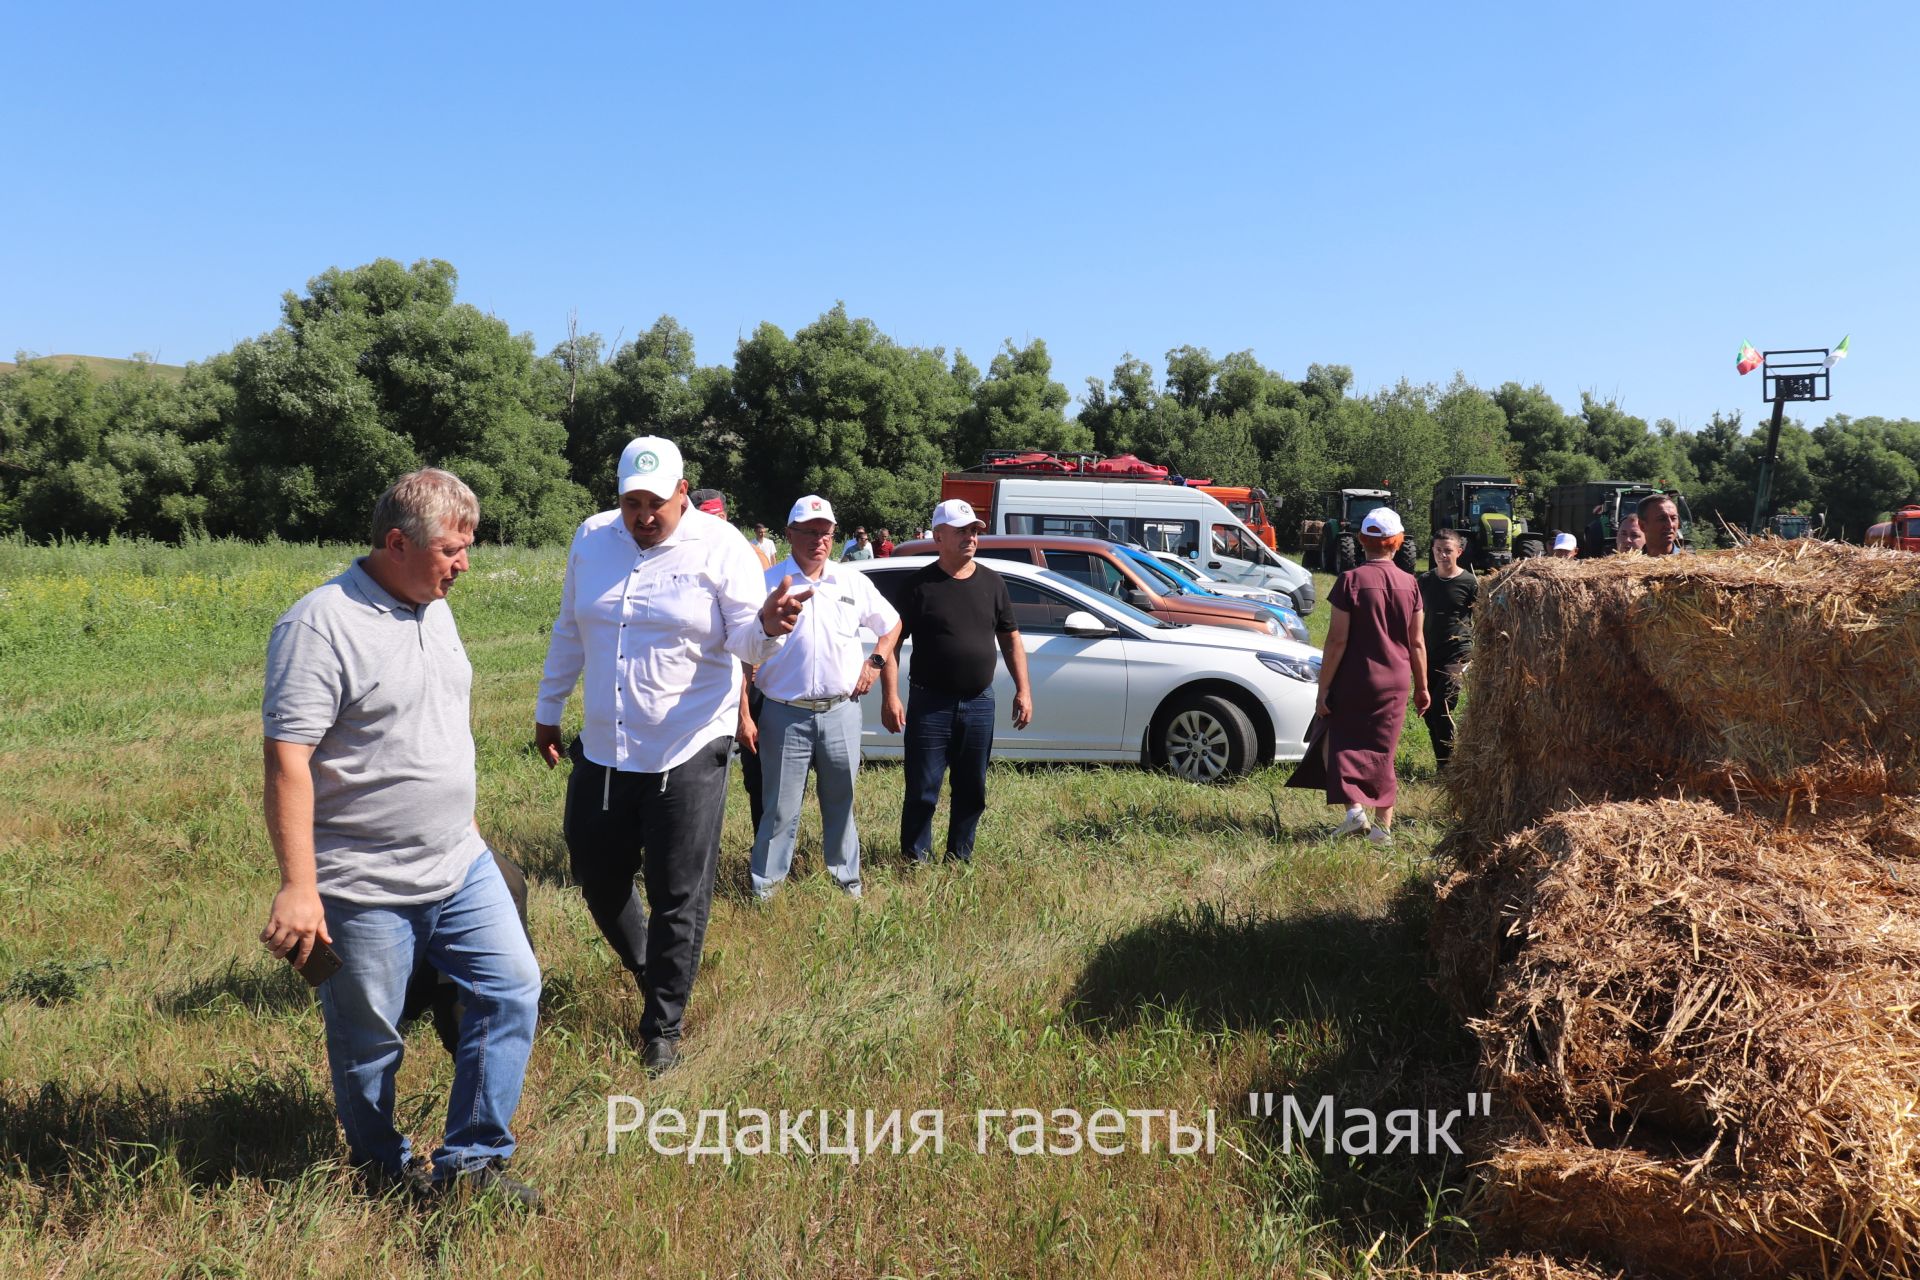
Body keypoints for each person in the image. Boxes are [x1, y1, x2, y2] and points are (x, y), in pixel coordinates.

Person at [260, 468, 542, 1206]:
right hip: (363, 884)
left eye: (468, 546)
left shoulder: (433, 606)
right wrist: (300, 887)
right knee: (369, 1042)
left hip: (459, 863)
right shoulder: (319, 626)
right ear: (396, 543)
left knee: (511, 989)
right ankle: (381, 1170)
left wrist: (470, 830)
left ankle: (474, 1163)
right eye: (453, 548)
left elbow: (438, 726)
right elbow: (287, 759)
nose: (465, 563)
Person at [533, 436, 808, 1076]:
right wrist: (550, 707)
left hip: (688, 744)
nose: (642, 516)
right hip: (605, 745)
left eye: (655, 503)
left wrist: (768, 624)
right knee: (597, 875)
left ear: (683, 493)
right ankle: (652, 966)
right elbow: (571, 625)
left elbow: (746, 640)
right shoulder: (592, 539)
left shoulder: (722, 547)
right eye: (631, 502)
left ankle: (663, 1027)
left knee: (677, 891)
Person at [748, 495, 903, 899]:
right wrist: (743, 712)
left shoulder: (850, 581)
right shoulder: (767, 584)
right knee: (779, 809)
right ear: (789, 534)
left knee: (841, 802)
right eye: (810, 532)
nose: (819, 540)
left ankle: (846, 882)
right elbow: (742, 650)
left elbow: (892, 624)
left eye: (826, 533)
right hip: (784, 713)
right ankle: (766, 889)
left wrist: (874, 662)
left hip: (840, 713)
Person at [880, 499, 1033, 863]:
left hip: (980, 702)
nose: (970, 537)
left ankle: (959, 857)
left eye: (974, 531)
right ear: (938, 536)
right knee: (922, 789)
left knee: (972, 789)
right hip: (930, 703)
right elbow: (891, 644)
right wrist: (891, 696)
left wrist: (1023, 690)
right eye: (961, 531)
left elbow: (1010, 639)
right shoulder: (918, 586)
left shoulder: (992, 583)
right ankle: (915, 860)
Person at [1310, 508, 1428, 845]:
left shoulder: (1350, 580)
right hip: (1395, 680)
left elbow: (1336, 640)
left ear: (1363, 541)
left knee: (1336, 739)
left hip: (1355, 677)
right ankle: (1383, 828)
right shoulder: (1411, 584)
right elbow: (1417, 641)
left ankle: (1354, 812)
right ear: (1397, 542)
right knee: (1384, 750)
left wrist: (1324, 689)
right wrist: (1422, 687)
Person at [1417, 529, 1476, 771]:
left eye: (1448, 550)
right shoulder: (1425, 581)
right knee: (1429, 711)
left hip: (1458, 652)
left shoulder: (1469, 582)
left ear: (1459, 552)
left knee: (1443, 703)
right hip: (1429, 652)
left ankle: (1449, 766)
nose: (1442, 555)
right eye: (1438, 550)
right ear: (1432, 551)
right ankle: (1445, 762)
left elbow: (1482, 616)